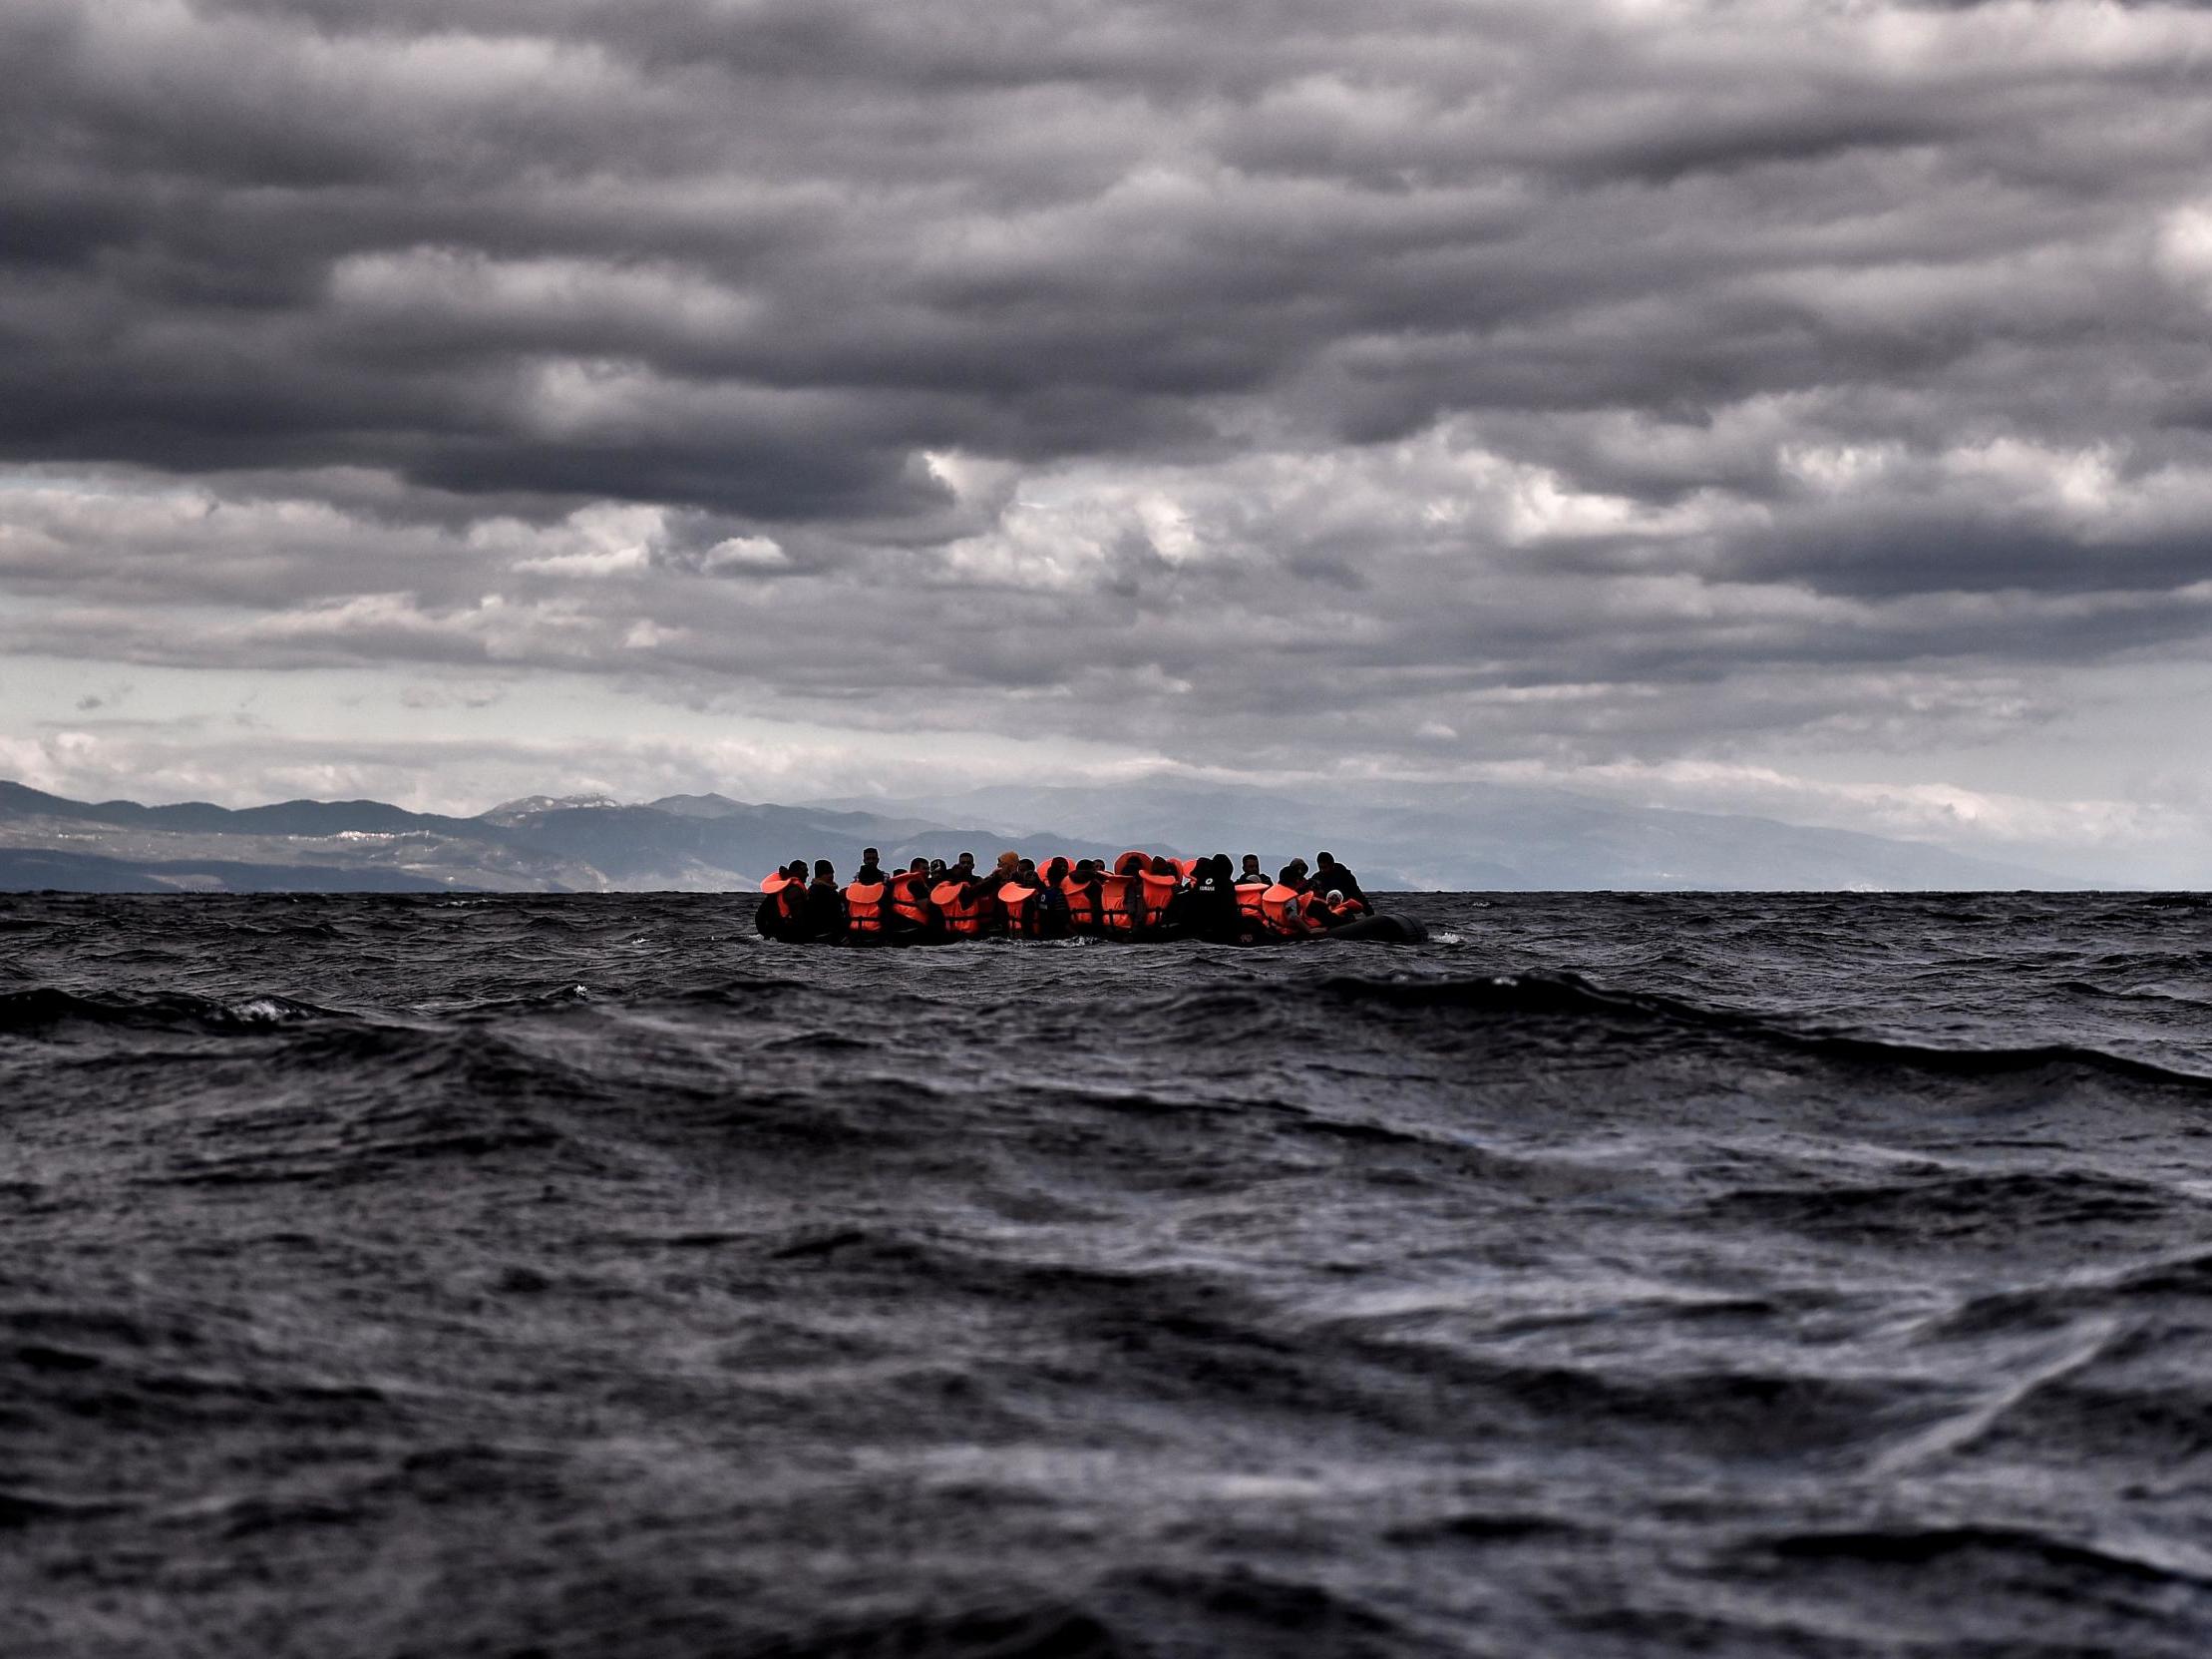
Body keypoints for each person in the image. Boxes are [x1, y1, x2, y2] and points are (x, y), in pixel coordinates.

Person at [804, 859, 845, 939]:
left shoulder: (811, 890)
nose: (831, 875)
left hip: (817, 934)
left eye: (832, 872)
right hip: (827, 934)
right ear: (819, 875)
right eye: (827, 873)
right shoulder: (822, 892)